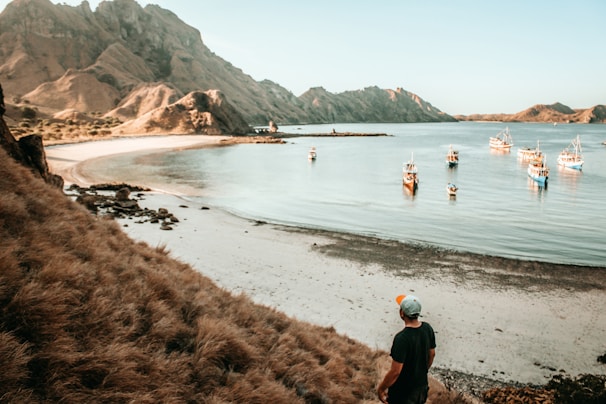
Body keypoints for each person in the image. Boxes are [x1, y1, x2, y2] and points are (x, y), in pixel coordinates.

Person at [377, 294, 436, 404]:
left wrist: (381, 389)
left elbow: (395, 371)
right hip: (421, 389)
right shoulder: (428, 328)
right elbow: (432, 354)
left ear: (402, 313)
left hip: (403, 393)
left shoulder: (402, 338)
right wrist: (422, 371)